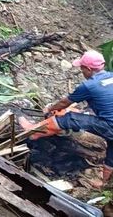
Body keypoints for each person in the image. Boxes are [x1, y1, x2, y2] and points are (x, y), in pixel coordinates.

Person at [19, 50, 113, 188]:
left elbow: (64, 103)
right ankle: (103, 184)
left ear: (88, 69)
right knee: (112, 150)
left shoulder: (89, 85)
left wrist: (50, 109)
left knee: (67, 118)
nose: (81, 71)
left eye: (82, 68)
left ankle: (33, 131)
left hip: (109, 124)